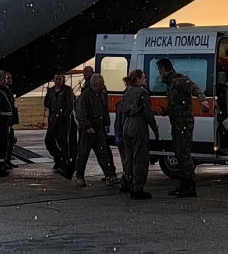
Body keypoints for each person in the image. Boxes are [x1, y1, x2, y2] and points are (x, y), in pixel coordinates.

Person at [156, 58, 210, 198]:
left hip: (183, 123)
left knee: (183, 153)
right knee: (179, 153)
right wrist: (166, 111)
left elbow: (195, 88)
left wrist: (202, 100)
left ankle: (189, 184)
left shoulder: (179, 80)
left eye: (160, 69)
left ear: (165, 69)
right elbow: (176, 104)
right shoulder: (170, 83)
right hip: (178, 122)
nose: (159, 72)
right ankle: (184, 183)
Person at [117, 70, 159, 200]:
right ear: (138, 79)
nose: (145, 79)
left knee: (129, 157)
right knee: (140, 157)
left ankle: (129, 183)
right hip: (137, 124)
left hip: (127, 124)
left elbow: (121, 111)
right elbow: (148, 114)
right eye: (144, 77)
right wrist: (155, 129)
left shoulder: (126, 93)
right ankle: (138, 188)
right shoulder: (142, 93)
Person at [73, 73, 119, 187]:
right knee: (83, 154)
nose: (103, 86)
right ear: (96, 84)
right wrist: (87, 126)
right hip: (87, 131)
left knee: (103, 153)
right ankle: (80, 176)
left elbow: (104, 110)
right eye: (101, 84)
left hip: (99, 128)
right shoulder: (85, 96)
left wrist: (106, 123)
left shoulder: (101, 95)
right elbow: (80, 112)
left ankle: (109, 175)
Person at [43, 72, 75, 178]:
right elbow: (46, 104)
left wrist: (64, 114)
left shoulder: (67, 90)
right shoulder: (52, 91)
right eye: (56, 79)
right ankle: (58, 156)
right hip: (53, 119)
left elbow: (70, 105)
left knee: (63, 142)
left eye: (59, 79)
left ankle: (64, 161)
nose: (57, 81)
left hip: (63, 119)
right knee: (49, 140)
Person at [3, 71, 19, 169]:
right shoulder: (3, 91)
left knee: (10, 142)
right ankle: (4, 161)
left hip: (11, 120)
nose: (10, 80)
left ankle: (8, 159)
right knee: (5, 142)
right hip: (6, 121)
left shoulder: (9, 90)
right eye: (8, 78)